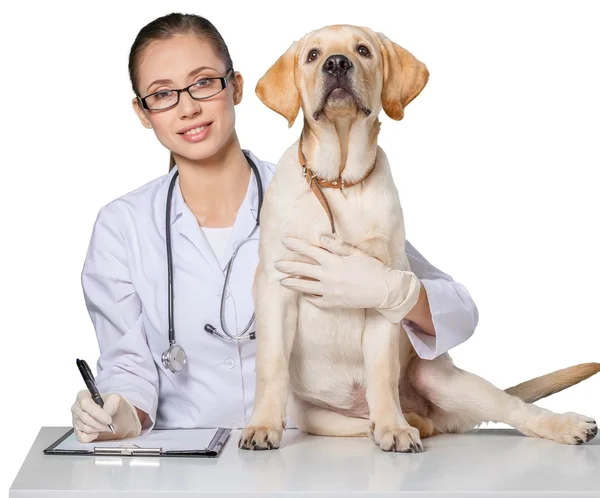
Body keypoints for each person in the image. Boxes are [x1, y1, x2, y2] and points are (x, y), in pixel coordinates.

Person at [70, 13, 479, 443]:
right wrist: (117, 413)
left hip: (311, 449)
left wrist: (397, 293)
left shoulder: (317, 189)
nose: (188, 107)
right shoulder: (122, 226)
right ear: (142, 112)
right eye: (162, 94)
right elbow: (128, 368)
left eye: (204, 82)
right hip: (184, 458)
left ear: (237, 87)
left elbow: (460, 311)